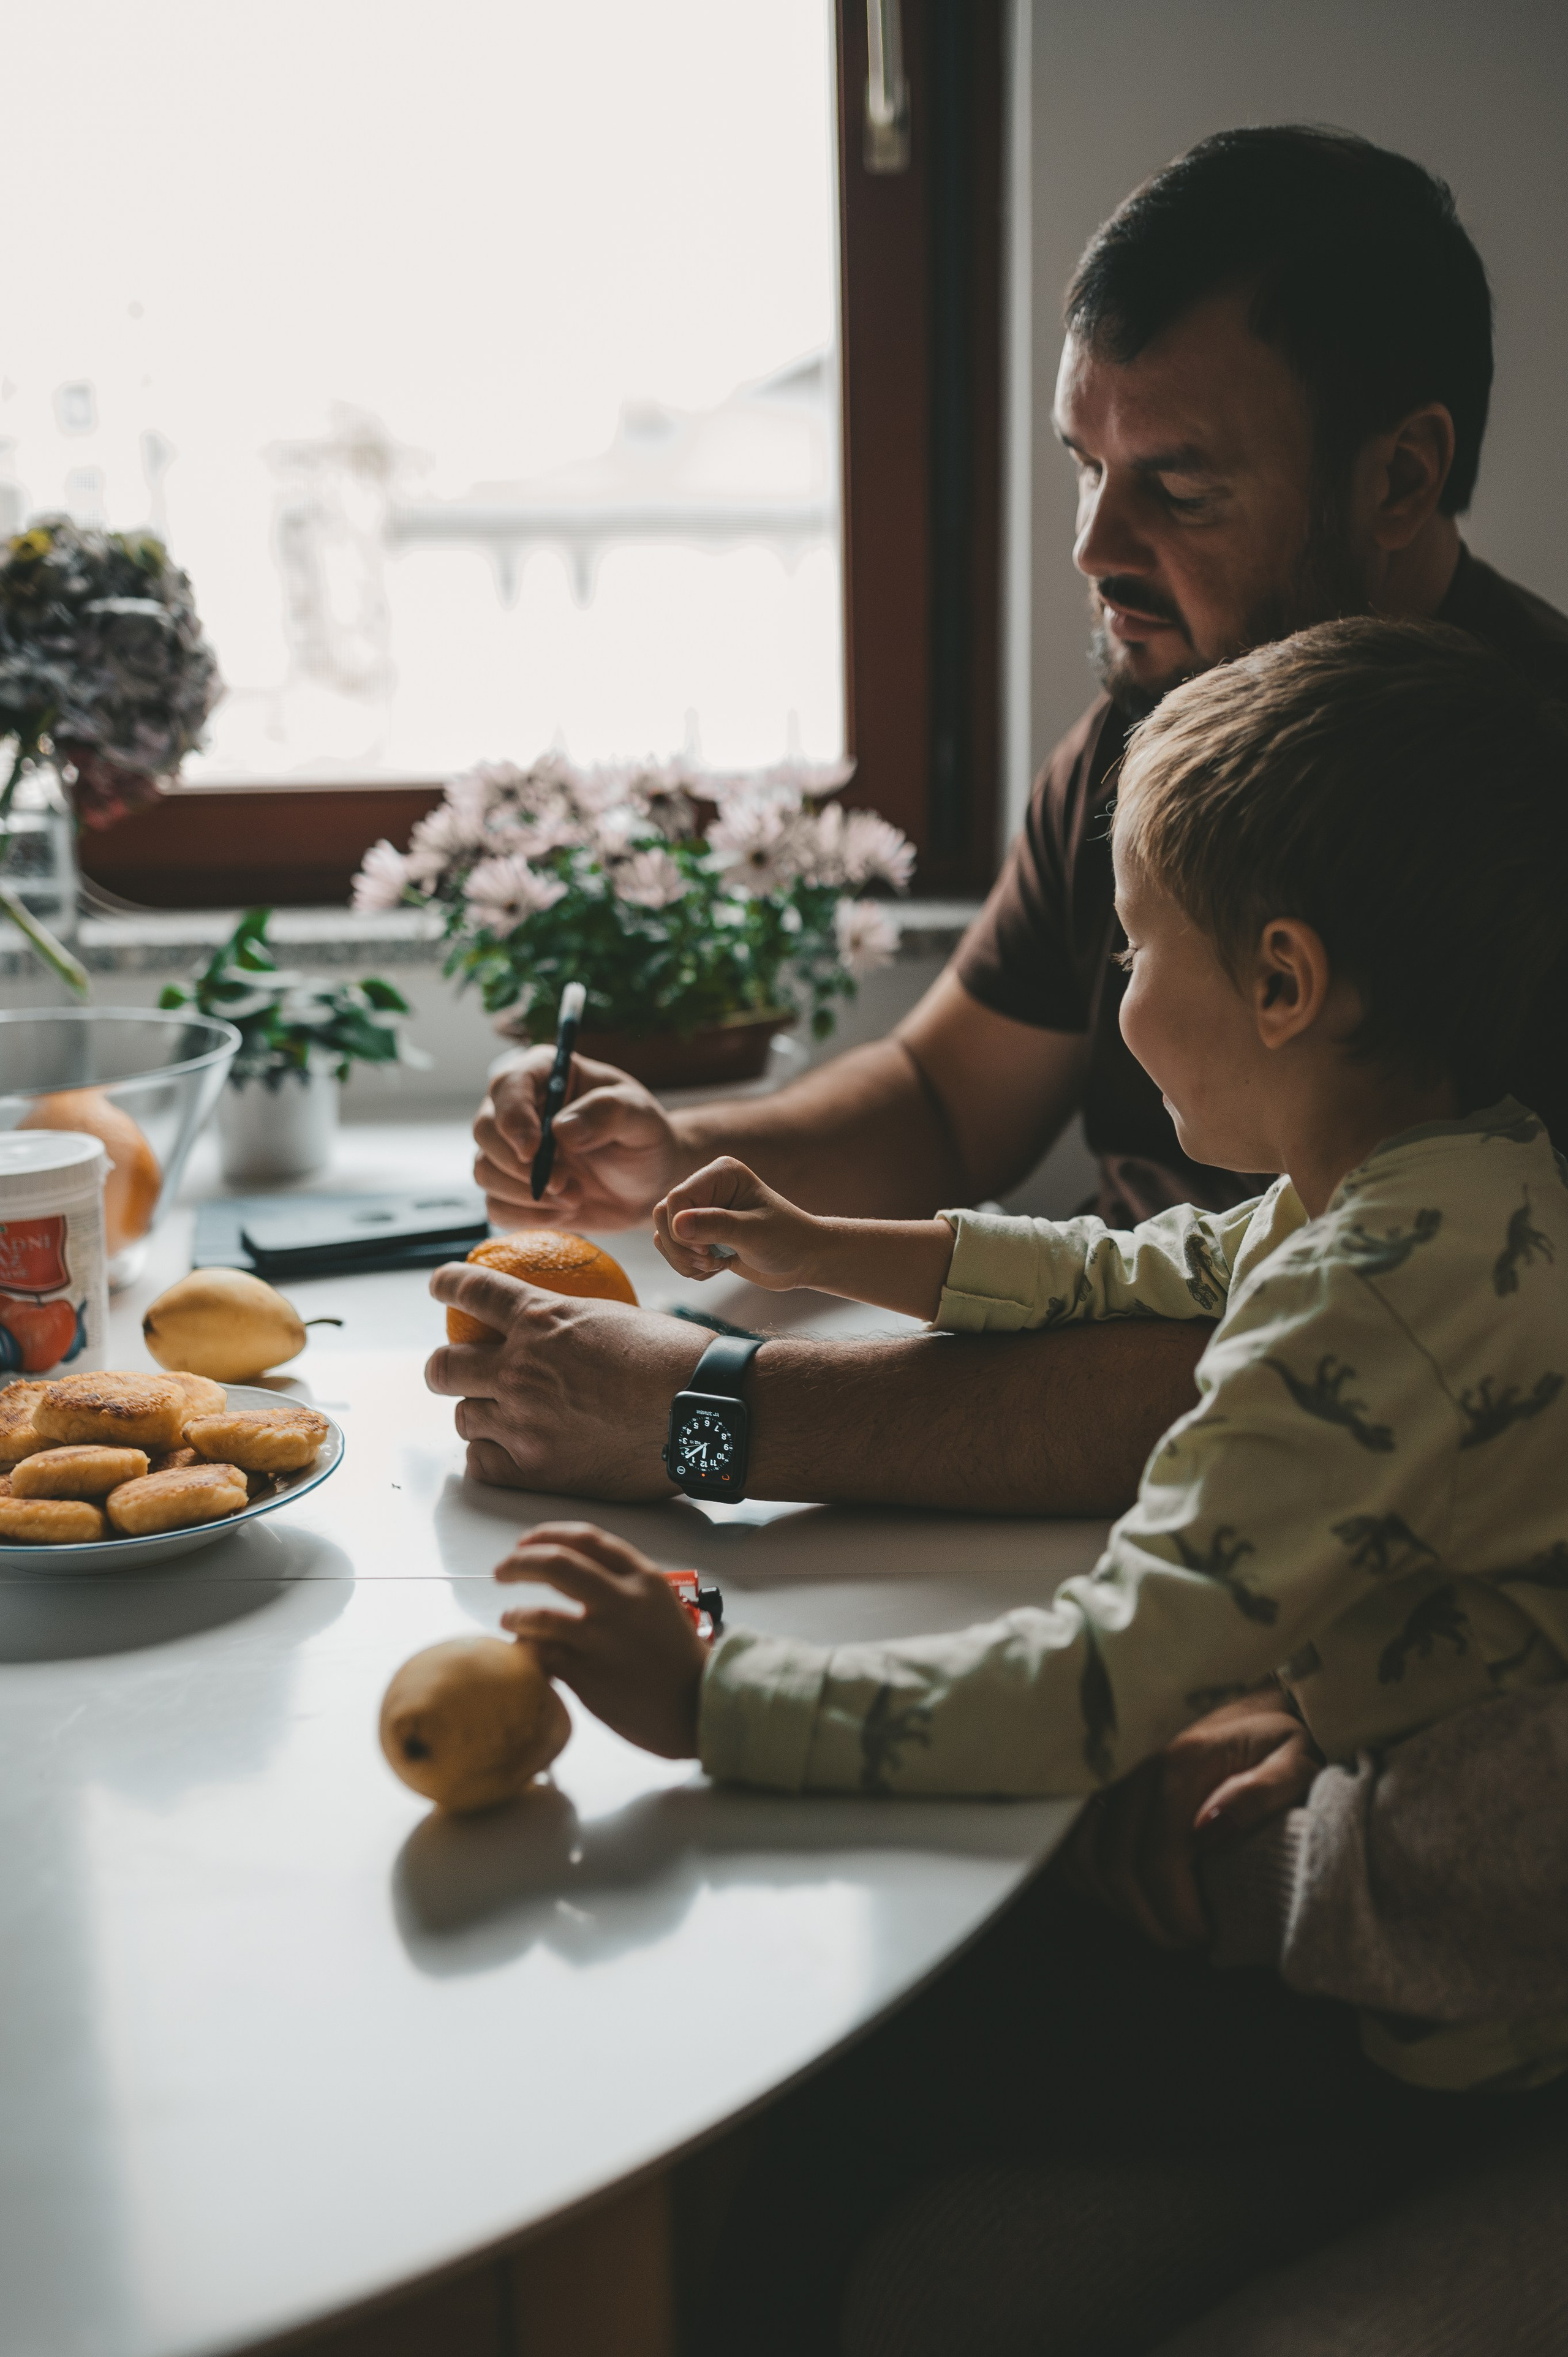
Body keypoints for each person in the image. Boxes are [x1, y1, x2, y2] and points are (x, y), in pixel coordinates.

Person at [478, 618, 1568, 2350]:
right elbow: (1117, 1270)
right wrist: (806, 1232)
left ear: (1283, 983)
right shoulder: (1439, 1174)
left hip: (1456, 2003)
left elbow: (1091, 1682)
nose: (1117, 1007)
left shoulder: (1367, 1297)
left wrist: (713, 1694)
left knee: (847, 2053)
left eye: (1137, 954)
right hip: (1407, 1790)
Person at [432, 125, 1568, 1523]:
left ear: (1398, 478)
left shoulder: (1520, 805)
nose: (1096, 547)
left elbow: (1324, 1382)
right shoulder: (1162, 719)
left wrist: (709, 1412)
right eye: (1085, 465)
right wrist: (680, 1157)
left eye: (1178, 487)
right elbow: (939, 1098)